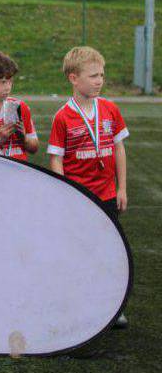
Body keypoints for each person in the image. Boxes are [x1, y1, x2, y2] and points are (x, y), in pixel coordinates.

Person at [47, 46, 129, 328]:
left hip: (106, 194)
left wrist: (122, 188)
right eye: (93, 75)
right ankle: (76, 303)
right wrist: (67, 192)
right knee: (78, 252)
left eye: (102, 75)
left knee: (110, 252)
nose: (99, 80)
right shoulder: (63, 117)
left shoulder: (110, 109)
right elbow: (55, 158)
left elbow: (118, 148)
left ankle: (113, 307)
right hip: (80, 197)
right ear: (73, 78)